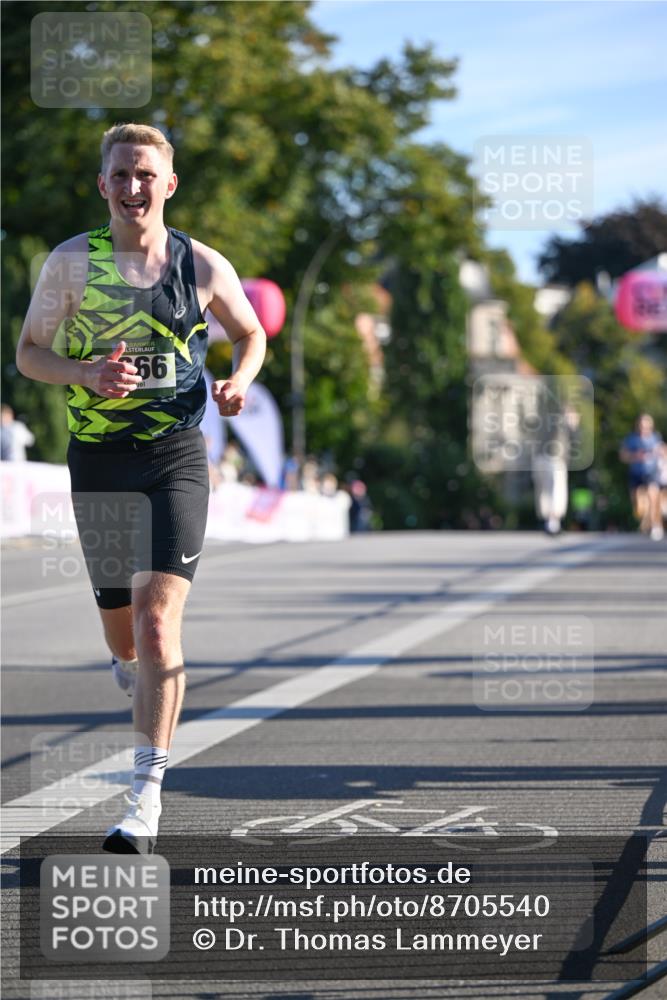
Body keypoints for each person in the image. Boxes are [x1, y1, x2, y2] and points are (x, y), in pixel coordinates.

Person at [16, 123, 267, 852]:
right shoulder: (70, 264)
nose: (133, 187)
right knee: (122, 629)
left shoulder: (201, 264)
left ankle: (144, 801)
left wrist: (239, 381)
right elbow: (29, 354)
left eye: (145, 175)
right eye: (121, 175)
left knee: (159, 625)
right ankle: (128, 666)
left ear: (169, 185)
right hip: (99, 460)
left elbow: (251, 333)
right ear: (103, 185)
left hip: (174, 458)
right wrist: (85, 373)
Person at [619, 413, 664, 541]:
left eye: (646, 425)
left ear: (651, 426)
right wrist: (635, 456)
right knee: (638, 507)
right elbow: (623, 456)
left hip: (652, 473)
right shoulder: (631, 439)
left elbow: (663, 451)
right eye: (641, 425)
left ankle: (656, 525)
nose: (644, 428)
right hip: (636, 474)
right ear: (637, 426)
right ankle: (646, 520)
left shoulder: (655, 438)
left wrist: (660, 454)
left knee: (653, 498)